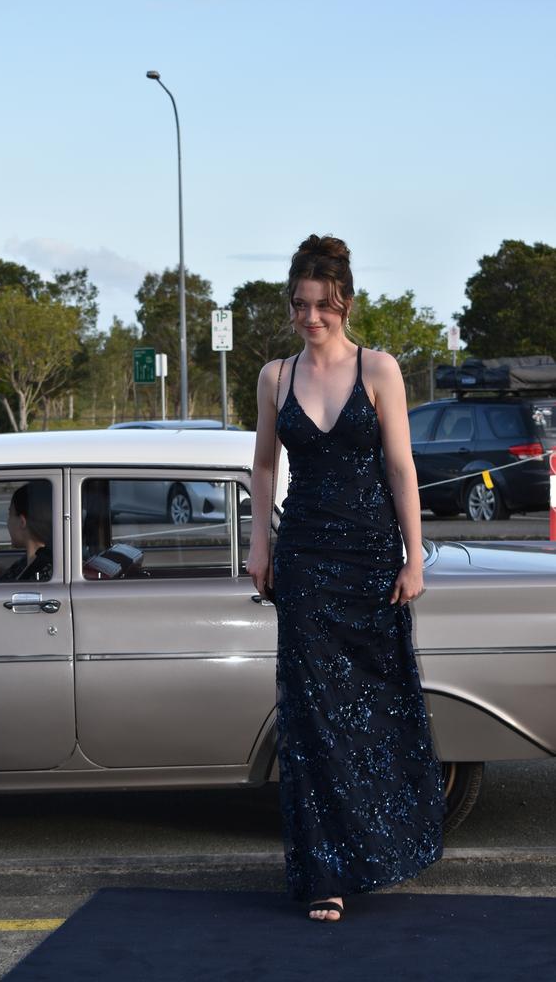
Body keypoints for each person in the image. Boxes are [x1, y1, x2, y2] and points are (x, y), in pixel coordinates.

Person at [247, 235, 446, 923]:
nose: (311, 318)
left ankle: (379, 849)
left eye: (323, 306)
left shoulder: (379, 368)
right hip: (302, 561)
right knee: (310, 718)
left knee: (377, 708)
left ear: (345, 303)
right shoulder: (275, 376)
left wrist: (414, 556)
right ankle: (324, 872)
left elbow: (400, 469)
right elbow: (265, 469)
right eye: (300, 306)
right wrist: (260, 548)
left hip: (369, 559)